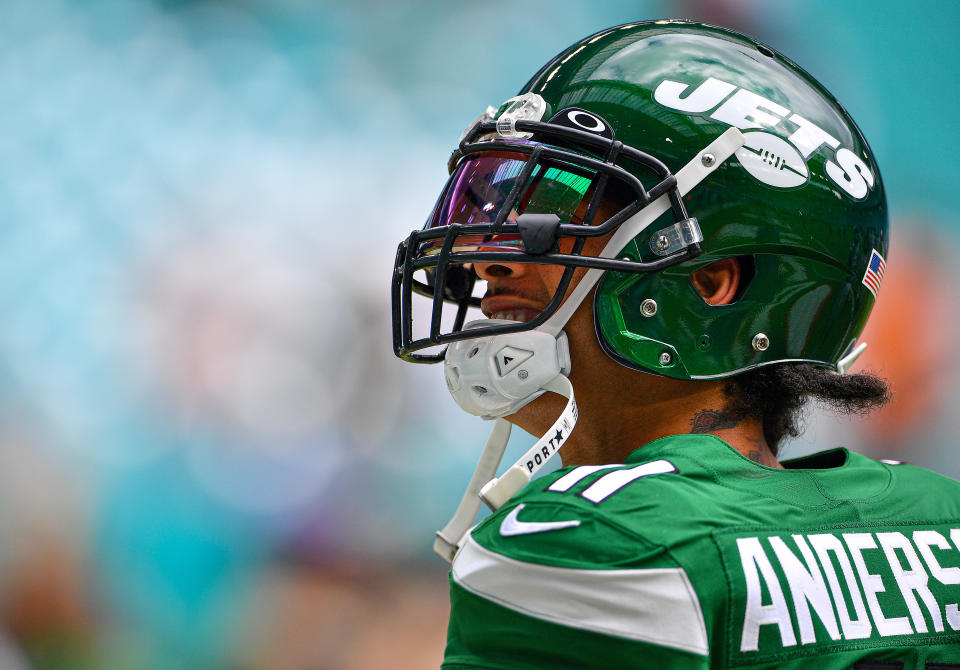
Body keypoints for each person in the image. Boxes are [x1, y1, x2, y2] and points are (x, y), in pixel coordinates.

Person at [391, 20, 960, 668]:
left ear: (710, 284)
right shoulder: (940, 522)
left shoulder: (597, 540)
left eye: (562, 206)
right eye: (498, 198)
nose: (492, 262)